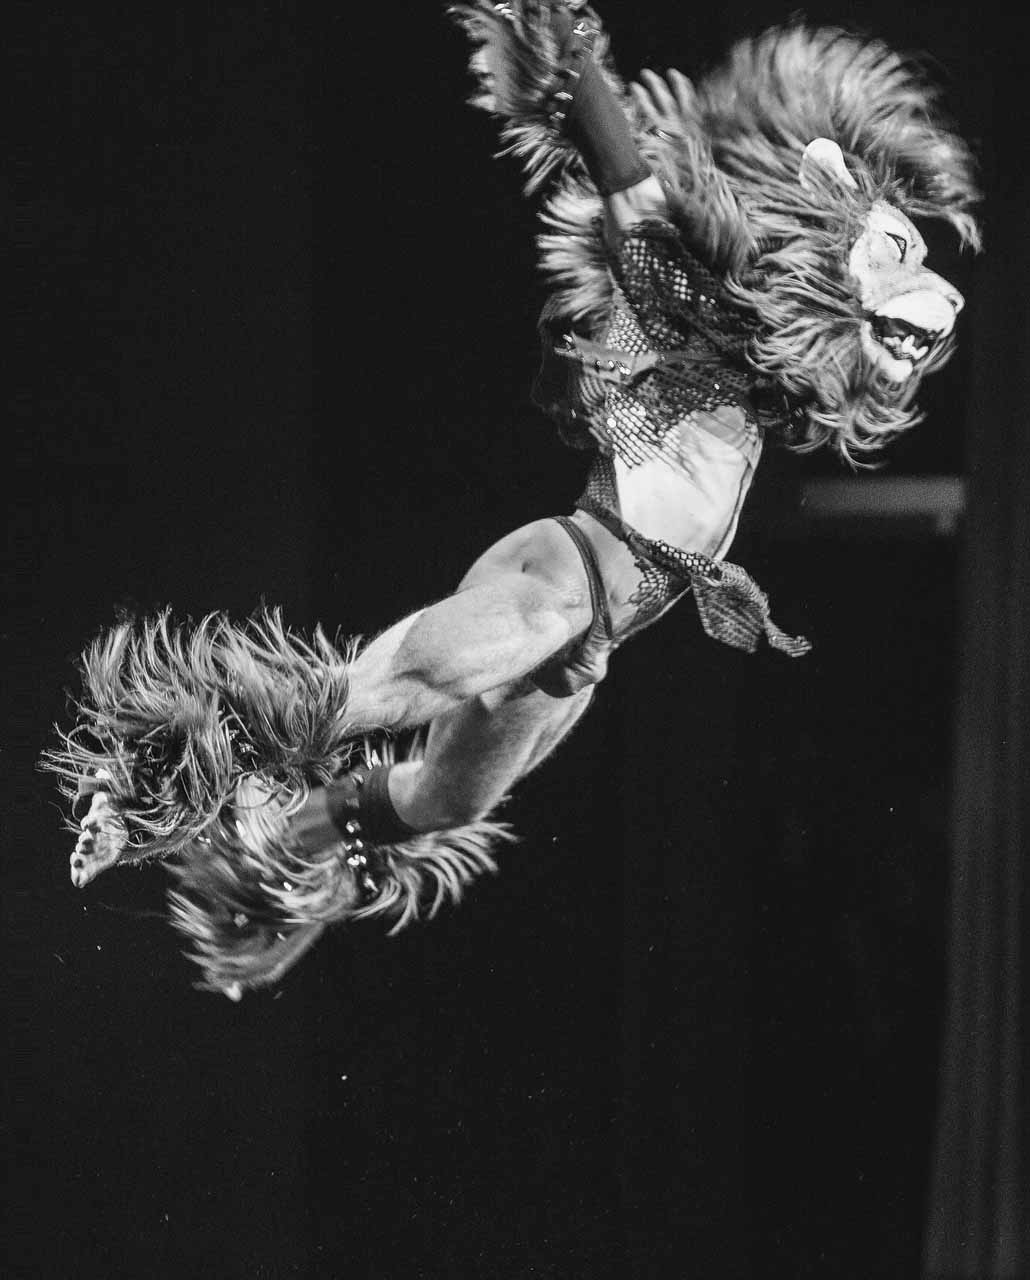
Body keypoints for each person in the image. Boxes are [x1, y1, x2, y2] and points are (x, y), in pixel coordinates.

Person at [50, 2, 979, 998]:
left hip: (591, 643)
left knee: (442, 797)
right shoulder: (677, 292)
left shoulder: (750, 367)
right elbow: (629, 186)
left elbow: (808, 361)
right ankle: (141, 768)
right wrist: (567, 56)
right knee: (394, 685)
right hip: (566, 572)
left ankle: (278, 859)